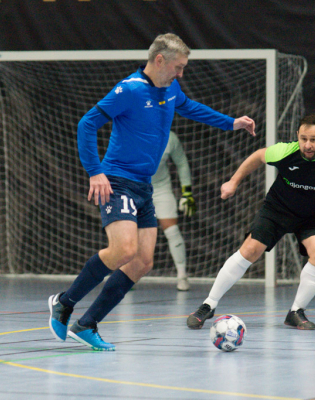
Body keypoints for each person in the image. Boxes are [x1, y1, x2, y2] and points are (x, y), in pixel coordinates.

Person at [48, 33, 256, 351]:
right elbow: (86, 124)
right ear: (159, 60)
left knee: (143, 262)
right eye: (178, 67)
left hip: (144, 186)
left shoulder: (170, 88)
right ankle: (64, 302)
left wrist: (231, 123)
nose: (181, 74)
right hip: (117, 180)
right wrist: (95, 172)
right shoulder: (130, 89)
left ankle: (87, 324)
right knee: (124, 250)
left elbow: (190, 107)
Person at [187, 114, 315, 330]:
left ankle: (296, 311)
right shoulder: (286, 151)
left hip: (311, 215)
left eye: (313, 140)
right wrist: (233, 182)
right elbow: (258, 156)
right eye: (303, 139)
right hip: (277, 209)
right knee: (250, 250)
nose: (307, 145)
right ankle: (208, 305)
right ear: (297, 136)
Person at [151, 130, 195, 291]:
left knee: (172, 230)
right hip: (133, 188)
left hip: (161, 189)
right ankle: (126, 277)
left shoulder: (170, 137)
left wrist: (187, 192)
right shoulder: (130, 131)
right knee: (130, 232)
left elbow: (181, 163)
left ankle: (182, 275)